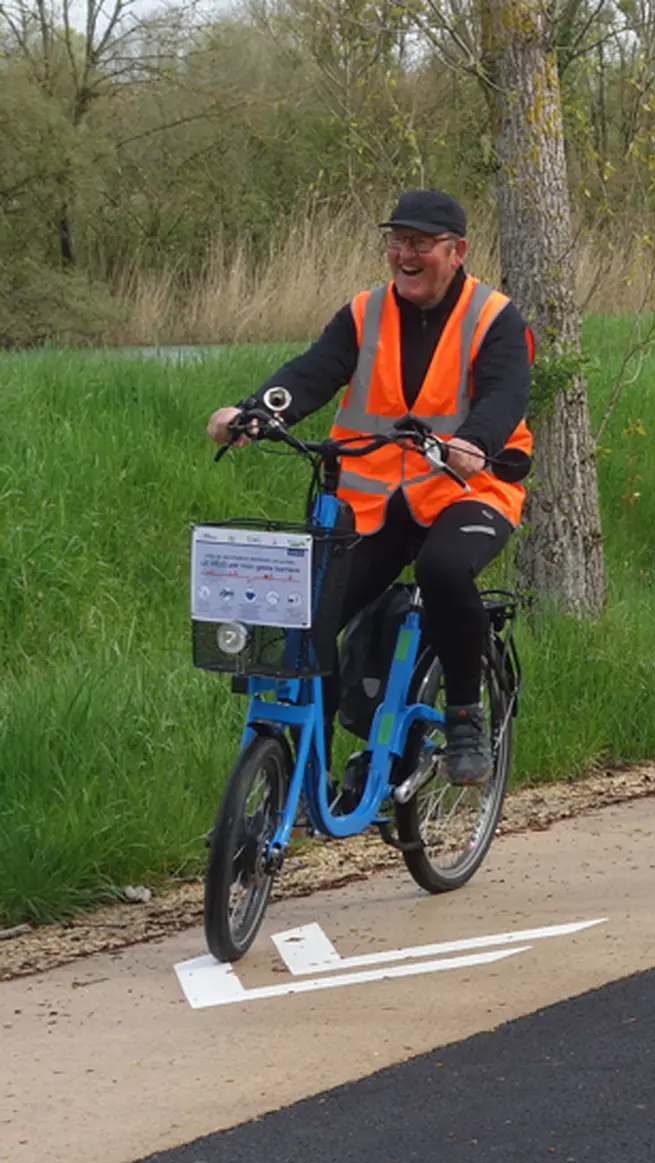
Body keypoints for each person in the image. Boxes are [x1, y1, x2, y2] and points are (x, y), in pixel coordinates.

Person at [207, 188, 533, 786]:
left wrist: (475, 443)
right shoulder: (365, 312)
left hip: (468, 490)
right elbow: (312, 371)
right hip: (376, 498)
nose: (404, 256)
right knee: (312, 618)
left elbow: (505, 395)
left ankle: (464, 715)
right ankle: (308, 776)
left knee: (442, 571)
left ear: (455, 251)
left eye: (419, 245)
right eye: (395, 243)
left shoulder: (494, 318)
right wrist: (255, 412)